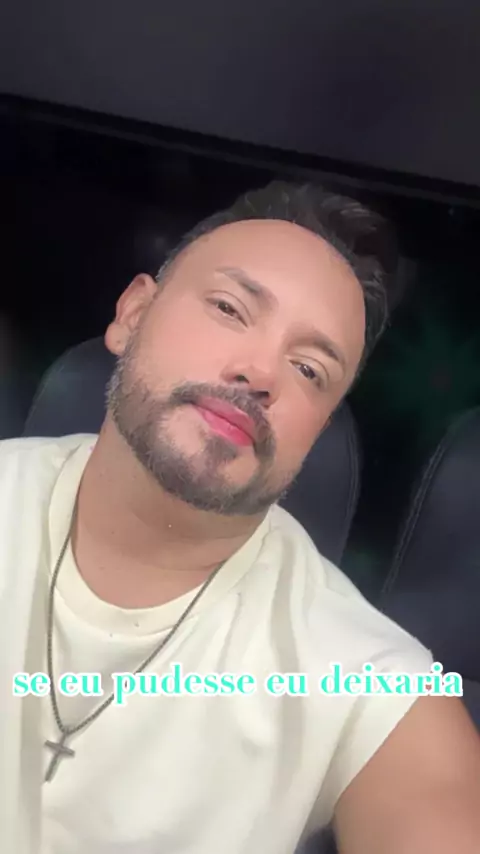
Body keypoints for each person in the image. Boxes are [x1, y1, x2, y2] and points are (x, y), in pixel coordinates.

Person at [1, 182, 479, 854]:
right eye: (230, 308)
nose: (260, 374)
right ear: (133, 313)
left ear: (317, 430)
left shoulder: (363, 678)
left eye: (309, 369)